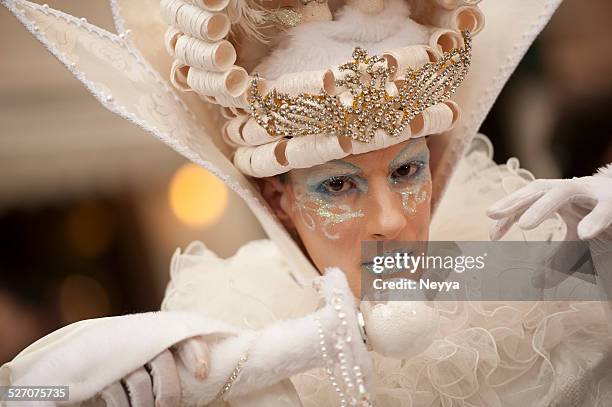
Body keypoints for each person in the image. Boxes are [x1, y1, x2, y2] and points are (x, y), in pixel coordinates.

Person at [1, 0, 612, 405]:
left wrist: (603, 256)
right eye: (339, 184)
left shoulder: (474, 273)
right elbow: (27, 393)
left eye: (406, 169)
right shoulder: (233, 322)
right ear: (280, 198)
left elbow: (584, 298)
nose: (394, 221)